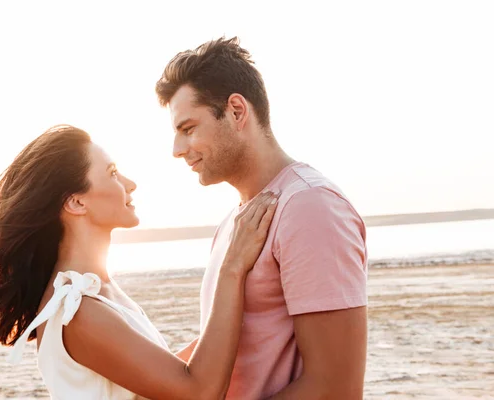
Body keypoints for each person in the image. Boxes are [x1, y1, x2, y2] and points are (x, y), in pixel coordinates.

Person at [0, 124, 279, 399]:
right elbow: (198, 392)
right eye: (111, 173)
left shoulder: (95, 292)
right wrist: (231, 269)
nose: (130, 184)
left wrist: (256, 318)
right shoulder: (78, 311)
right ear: (77, 202)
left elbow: (154, 378)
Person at [155, 37, 368, 399]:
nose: (177, 150)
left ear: (237, 111)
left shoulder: (310, 206)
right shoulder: (233, 224)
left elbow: (336, 388)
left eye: (188, 129)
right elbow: (242, 349)